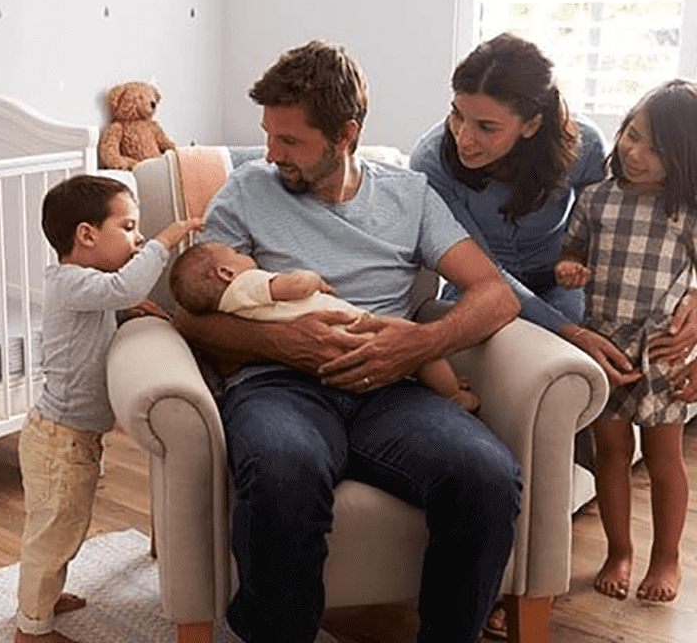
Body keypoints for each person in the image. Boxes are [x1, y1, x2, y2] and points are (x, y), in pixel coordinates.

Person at [173, 40, 522, 643]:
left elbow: (495, 294)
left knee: (486, 476)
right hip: (277, 385)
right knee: (283, 471)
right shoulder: (246, 192)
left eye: (290, 142)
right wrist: (288, 345)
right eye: (268, 136)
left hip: (390, 386)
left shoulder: (408, 197)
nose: (271, 154)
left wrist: (415, 346)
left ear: (345, 134)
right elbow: (194, 317)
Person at [408, 33, 697, 638]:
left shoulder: (587, 147)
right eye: (457, 115)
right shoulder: (432, 162)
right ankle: (484, 575)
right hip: (479, 291)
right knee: (525, 377)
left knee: (578, 383)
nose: (464, 136)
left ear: (534, 123)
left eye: (487, 126)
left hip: (560, 286)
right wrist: (568, 328)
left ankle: (544, 562)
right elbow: (483, 279)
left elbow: (653, 216)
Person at [15, 174, 201, 643]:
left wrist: (126, 313)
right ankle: (31, 629)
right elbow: (121, 287)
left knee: (64, 527)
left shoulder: (85, 286)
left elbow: (110, 304)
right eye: (130, 226)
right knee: (53, 532)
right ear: (86, 235)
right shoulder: (71, 281)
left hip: (70, 437)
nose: (137, 237)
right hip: (59, 440)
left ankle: (44, 596)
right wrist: (163, 241)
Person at [555, 79, 697, 603]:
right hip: (607, 348)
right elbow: (571, 254)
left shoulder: (686, 211)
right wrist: (569, 269)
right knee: (610, 453)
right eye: (633, 135)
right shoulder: (595, 199)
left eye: (656, 149)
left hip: (661, 353)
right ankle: (619, 550)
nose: (635, 153)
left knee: (664, 461)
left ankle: (666, 559)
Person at [168, 240, 479, 411]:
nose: (243, 254)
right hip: (346, 331)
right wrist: (311, 279)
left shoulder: (229, 304)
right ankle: (452, 393)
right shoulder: (247, 284)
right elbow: (293, 286)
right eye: (236, 253)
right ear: (225, 272)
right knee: (412, 343)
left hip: (324, 364)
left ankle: (442, 384)